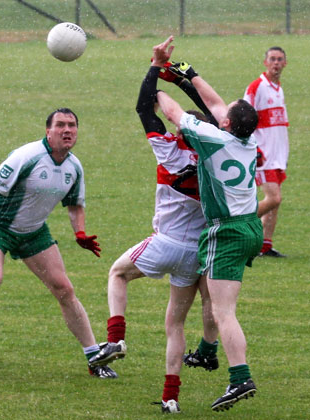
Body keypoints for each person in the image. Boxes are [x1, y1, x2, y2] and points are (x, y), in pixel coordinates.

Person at [88, 54, 219, 414]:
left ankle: (115, 339)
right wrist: (185, 83)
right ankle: (170, 397)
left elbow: (143, 108)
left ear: (184, 130)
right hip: (196, 254)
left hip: (164, 244)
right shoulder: (218, 159)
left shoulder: (170, 151)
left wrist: (156, 69)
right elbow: (213, 113)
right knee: (175, 325)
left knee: (117, 273)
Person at [0, 108, 118, 378]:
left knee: (64, 289)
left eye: (72, 125)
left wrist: (80, 233)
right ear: (48, 131)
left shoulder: (74, 167)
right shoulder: (28, 156)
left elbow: (75, 204)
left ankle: (94, 358)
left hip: (33, 232)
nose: (67, 130)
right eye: (61, 125)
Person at [153, 36, 263, 412]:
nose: (220, 110)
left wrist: (154, 79)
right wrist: (186, 73)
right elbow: (216, 105)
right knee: (220, 303)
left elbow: (172, 113)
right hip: (251, 226)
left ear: (227, 123)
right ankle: (208, 352)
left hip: (227, 231)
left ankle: (240, 377)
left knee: (223, 310)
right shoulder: (247, 141)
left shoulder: (212, 140)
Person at [244, 47, 288, 257]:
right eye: (272, 59)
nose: (276, 63)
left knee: (275, 203)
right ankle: (238, 225)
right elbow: (244, 117)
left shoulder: (278, 88)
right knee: (274, 198)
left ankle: (265, 246)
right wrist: (255, 148)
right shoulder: (257, 87)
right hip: (264, 156)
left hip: (278, 156)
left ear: (285, 63)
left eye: (280, 59)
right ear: (265, 62)